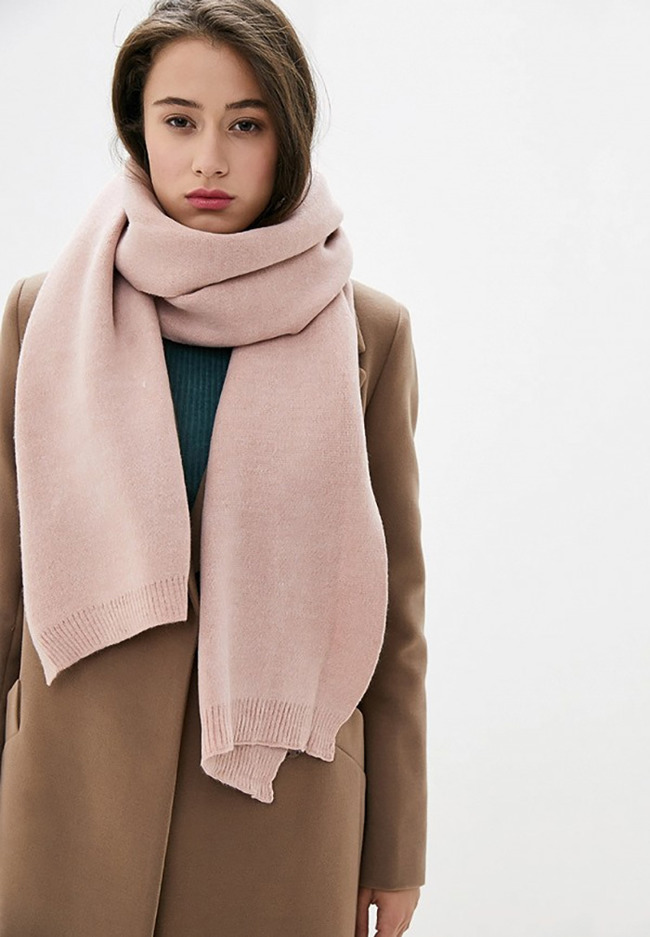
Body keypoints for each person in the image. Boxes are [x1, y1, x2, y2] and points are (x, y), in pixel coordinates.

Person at [0, 1, 427, 935]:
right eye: (179, 120)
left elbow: (394, 615)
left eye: (245, 125)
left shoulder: (369, 333)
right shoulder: (45, 316)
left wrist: (396, 849)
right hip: (67, 798)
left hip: (282, 805)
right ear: (138, 128)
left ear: (289, 134)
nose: (208, 160)